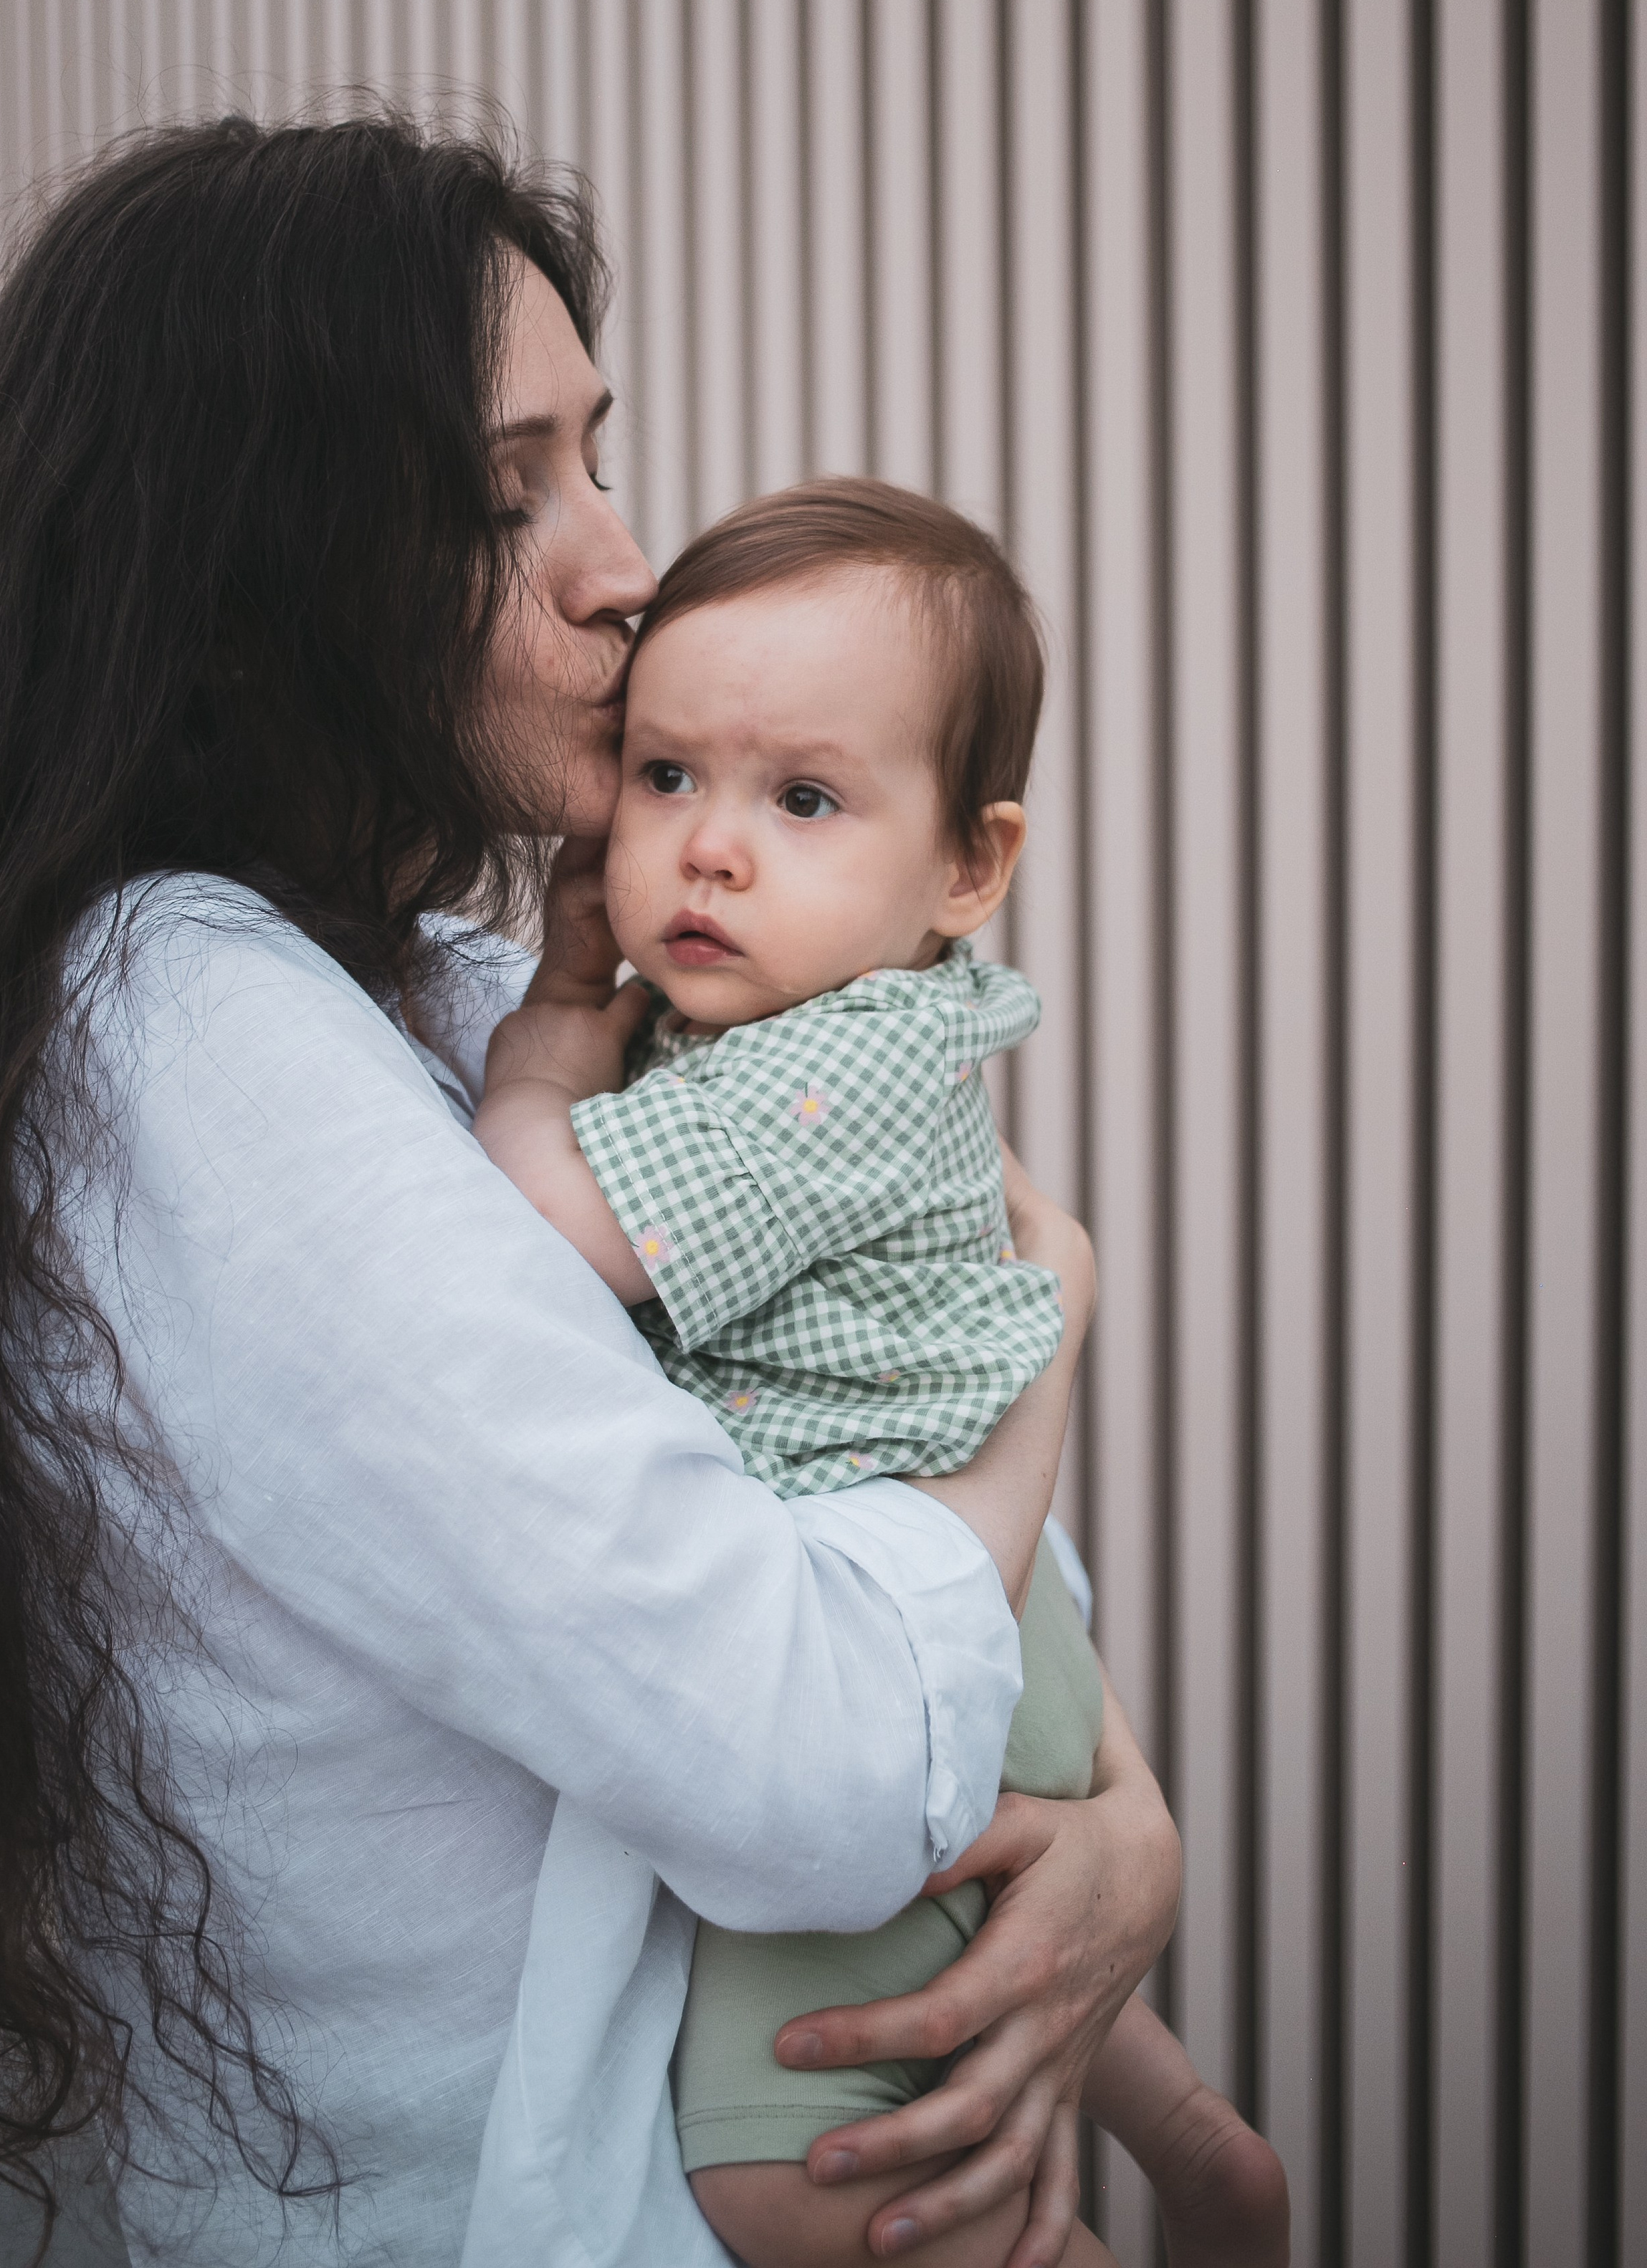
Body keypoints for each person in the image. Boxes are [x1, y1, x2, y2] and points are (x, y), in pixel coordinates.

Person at [0, 115, 1181, 2267]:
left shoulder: (455, 974)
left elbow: (845, 1462)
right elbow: (820, 1750)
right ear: (253, 573)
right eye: (503, 490)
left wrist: (1130, 1836)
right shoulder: (187, 1035)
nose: (624, 567)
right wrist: (1063, 1315)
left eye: (598, 454)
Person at [476, 479, 1291, 2268]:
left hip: (891, 1649)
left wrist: (539, 1052)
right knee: (1001, 1992)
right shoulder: (798, 1030)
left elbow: (545, 1237)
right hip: (993, 1625)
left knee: (799, 2173)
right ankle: (1201, 2146)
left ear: (966, 868)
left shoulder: (820, 1079)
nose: (705, 847)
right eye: (666, 773)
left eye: (803, 799)